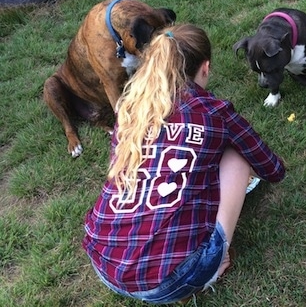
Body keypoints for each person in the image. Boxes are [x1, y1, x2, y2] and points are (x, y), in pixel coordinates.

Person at [82, 24, 286, 304]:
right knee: (237, 156)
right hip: (169, 281)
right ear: (206, 67)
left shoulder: (129, 108)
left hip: (103, 262)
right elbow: (273, 169)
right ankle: (216, 257)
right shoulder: (214, 111)